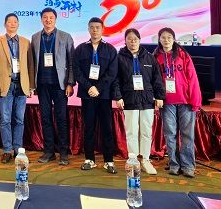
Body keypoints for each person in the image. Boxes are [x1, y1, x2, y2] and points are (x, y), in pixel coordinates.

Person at [113, 28, 165, 174]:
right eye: (129, 39)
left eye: (135, 39)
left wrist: (159, 96)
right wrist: (118, 97)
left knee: (146, 131)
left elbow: (157, 79)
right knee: (132, 132)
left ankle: (146, 160)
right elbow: (115, 80)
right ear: (125, 41)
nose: (133, 41)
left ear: (140, 40)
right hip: (129, 99)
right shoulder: (119, 58)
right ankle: (133, 160)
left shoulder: (149, 57)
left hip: (147, 99)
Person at [154, 27, 202, 178]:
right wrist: (156, 98)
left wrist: (195, 100)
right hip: (167, 102)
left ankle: (188, 166)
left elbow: (192, 78)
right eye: (163, 37)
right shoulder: (155, 57)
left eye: (169, 37)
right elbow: (154, 80)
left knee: (187, 135)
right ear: (159, 39)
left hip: (185, 101)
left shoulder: (183, 55)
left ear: (174, 39)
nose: (166, 40)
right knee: (170, 134)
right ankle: (174, 164)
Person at [74, 17, 118, 173]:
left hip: (104, 94)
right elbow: (77, 71)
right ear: (88, 29)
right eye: (92, 27)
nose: (94, 30)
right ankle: (89, 159)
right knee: (89, 127)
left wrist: (98, 88)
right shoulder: (80, 49)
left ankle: (109, 161)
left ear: (102, 29)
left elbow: (112, 73)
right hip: (87, 95)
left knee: (107, 127)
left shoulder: (110, 49)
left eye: (97, 27)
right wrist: (89, 87)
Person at [0, 13, 35, 163]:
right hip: (5, 85)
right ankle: (7, 150)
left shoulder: (25, 42)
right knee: (5, 119)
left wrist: (31, 86)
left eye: (15, 21)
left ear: (18, 24)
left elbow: (30, 65)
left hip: (22, 85)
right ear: (5, 24)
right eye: (10, 22)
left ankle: (18, 149)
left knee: (19, 119)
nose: (13, 24)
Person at [32, 7, 75, 166]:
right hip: (42, 85)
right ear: (41, 19)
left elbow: (72, 62)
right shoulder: (35, 37)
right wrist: (32, 85)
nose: (48, 20)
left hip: (60, 85)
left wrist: (70, 83)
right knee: (45, 118)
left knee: (61, 118)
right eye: (45, 17)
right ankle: (49, 151)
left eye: (51, 17)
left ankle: (63, 152)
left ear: (55, 19)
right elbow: (32, 62)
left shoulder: (65, 36)